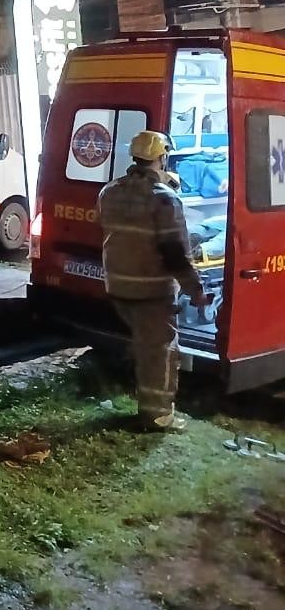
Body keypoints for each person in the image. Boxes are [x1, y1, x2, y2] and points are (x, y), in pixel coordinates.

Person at [97, 130, 208, 433]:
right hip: (151, 290)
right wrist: (195, 289)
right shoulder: (165, 199)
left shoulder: (109, 191)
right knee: (160, 354)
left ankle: (147, 402)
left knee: (145, 348)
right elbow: (174, 253)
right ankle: (158, 416)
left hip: (119, 285)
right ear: (162, 157)